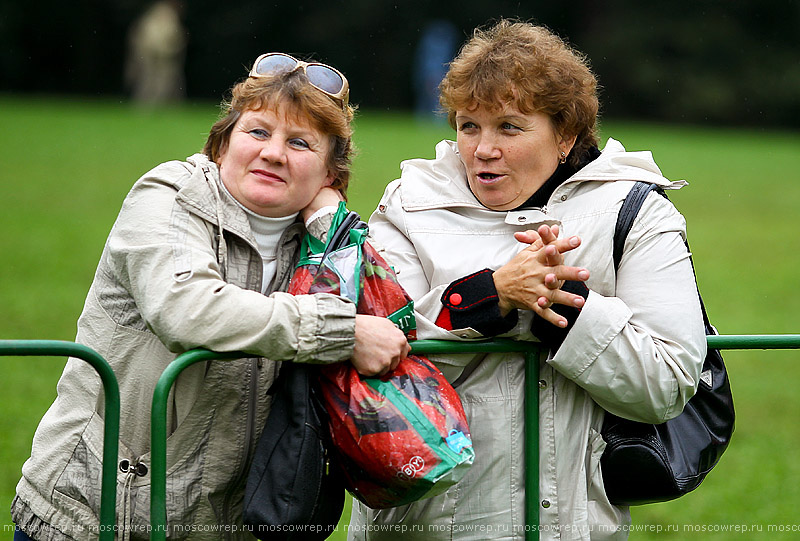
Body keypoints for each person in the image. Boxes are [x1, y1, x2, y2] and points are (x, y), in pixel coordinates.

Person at [11, 53, 410, 540]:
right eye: (258, 132)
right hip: (98, 517)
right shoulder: (169, 193)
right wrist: (341, 333)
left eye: (300, 142)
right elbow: (186, 308)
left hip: (229, 526)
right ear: (223, 144)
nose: (273, 153)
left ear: (330, 173)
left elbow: (391, 324)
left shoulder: (312, 236)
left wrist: (330, 225)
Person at [349, 20, 707, 540]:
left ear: (565, 135)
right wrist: (490, 295)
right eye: (468, 125)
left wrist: (564, 311)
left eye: (510, 128)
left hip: (570, 526)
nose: (483, 149)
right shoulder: (408, 202)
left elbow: (666, 385)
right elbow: (374, 350)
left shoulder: (636, 210)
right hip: (420, 522)